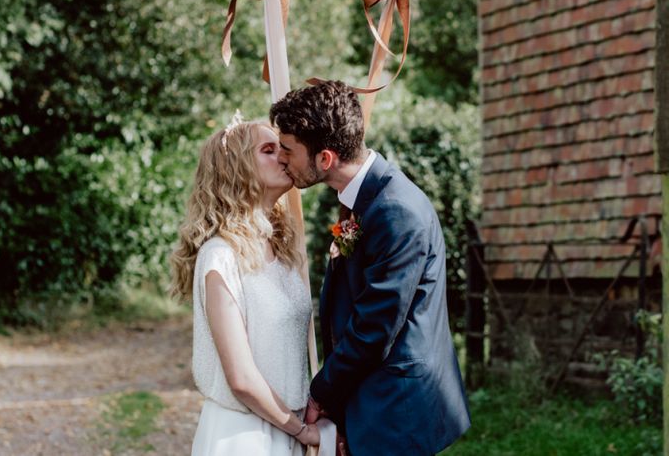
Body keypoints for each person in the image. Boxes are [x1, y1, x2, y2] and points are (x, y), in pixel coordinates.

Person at [270, 81, 471, 456]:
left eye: (288, 150)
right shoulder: (364, 198)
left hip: (396, 410)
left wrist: (322, 392)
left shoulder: (396, 210)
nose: (282, 159)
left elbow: (374, 328)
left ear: (325, 158)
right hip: (374, 401)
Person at [170, 114, 321, 455]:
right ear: (236, 168)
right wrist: (301, 430)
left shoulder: (283, 250)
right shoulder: (220, 256)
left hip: (287, 427)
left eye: (282, 148)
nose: (283, 156)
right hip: (243, 434)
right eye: (268, 150)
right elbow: (240, 375)